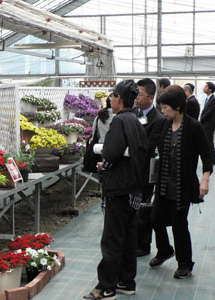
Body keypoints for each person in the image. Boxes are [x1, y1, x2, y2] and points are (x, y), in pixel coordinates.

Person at [83, 80, 148, 300]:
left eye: (112, 96)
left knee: (111, 239)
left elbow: (111, 153)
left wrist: (103, 165)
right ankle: (126, 281)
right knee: (129, 237)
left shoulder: (120, 121)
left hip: (118, 189)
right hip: (133, 188)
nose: (110, 100)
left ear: (119, 98)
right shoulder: (136, 120)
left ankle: (106, 287)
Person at [149, 85, 212, 279]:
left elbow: (206, 154)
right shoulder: (164, 125)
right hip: (164, 182)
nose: (162, 111)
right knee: (155, 218)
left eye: (165, 107)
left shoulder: (193, 126)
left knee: (179, 225)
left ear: (177, 107)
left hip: (182, 185)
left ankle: (185, 263)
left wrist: (205, 179)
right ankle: (165, 249)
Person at [134, 78, 165, 257]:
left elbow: (149, 146)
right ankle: (133, 241)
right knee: (133, 207)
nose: (136, 98)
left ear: (151, 97)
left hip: (147, 170)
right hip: (131, 169)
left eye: (140, 94)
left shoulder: (158, 119)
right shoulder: (133, 113)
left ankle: (143, 245)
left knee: (144, 207)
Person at [200, 82, 215, 165]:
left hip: (209, 125)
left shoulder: (213, 99)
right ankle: (210, 159)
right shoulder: (208, 99)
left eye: (206, 86)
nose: (204, 87)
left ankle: (212, 160)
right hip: (206, 124)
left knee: (209, 142)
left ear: (210, 89)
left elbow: (209, 113)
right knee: (207, 142)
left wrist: (201, 120)